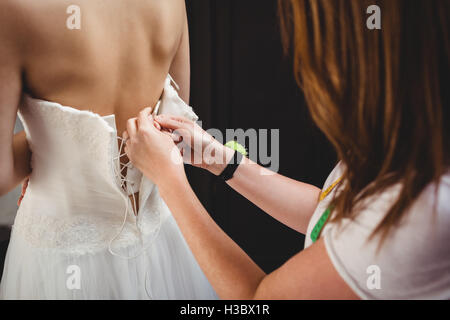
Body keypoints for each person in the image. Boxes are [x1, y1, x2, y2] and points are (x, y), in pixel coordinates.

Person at [123, 0, 450, 299]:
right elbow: (330, 215)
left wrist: (171, 184)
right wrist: (221, 160)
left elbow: (258, 300)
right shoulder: (411, 148)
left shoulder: (422, 209)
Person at [0, 0, 216, 299]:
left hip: (62, 260)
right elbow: (173, 130)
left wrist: (52, 142)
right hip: (165, 244)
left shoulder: (14, 9)